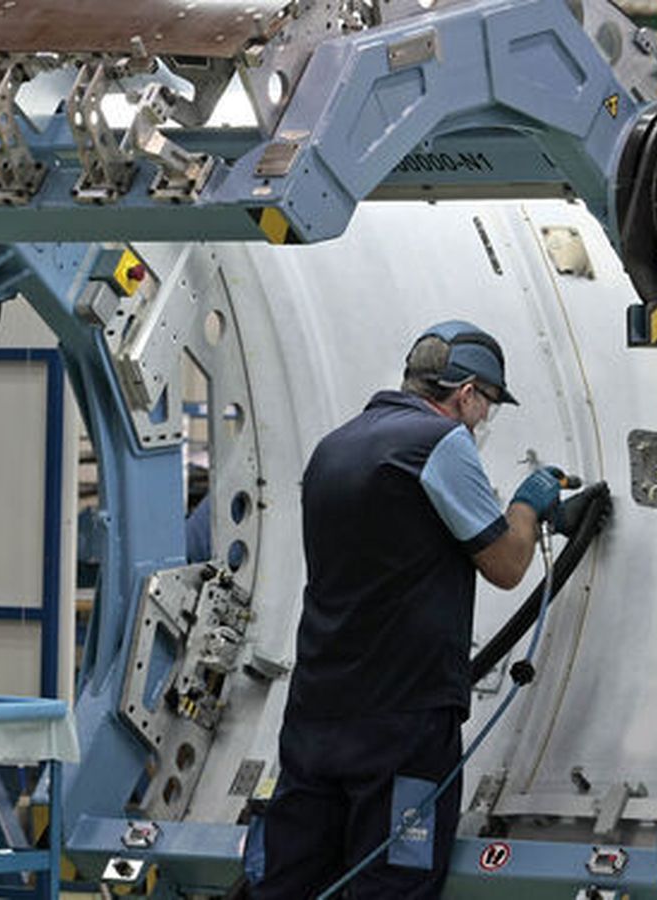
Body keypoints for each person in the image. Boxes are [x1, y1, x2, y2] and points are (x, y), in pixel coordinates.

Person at [251, 320, 610, 899]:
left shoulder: (334, 445)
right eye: (487, 405)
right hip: (402, 719)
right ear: (466, 393)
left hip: (316, 711)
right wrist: (528, 504)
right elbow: (508, 565)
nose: (484, 420)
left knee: (291, 882)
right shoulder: (440, 443)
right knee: (392, 883)